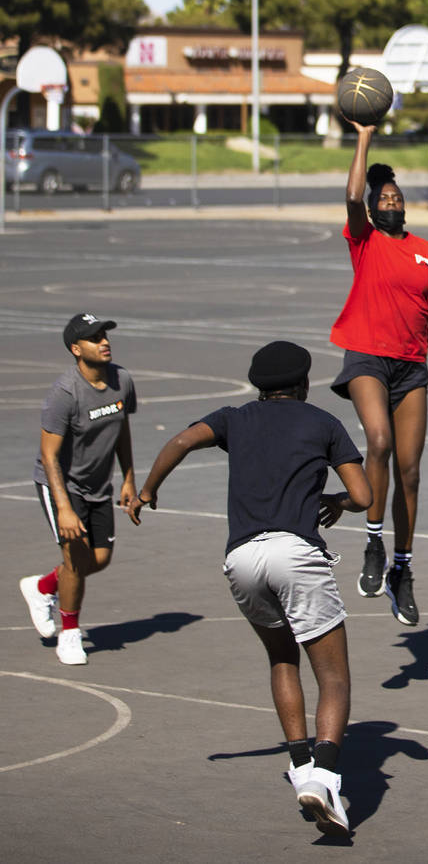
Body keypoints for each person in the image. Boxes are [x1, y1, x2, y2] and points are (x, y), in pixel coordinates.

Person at [131, 341, 372, 839]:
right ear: (305, 384)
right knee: (334, 676)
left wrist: (149, 489)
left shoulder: (232, 417)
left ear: (258, 386)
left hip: (240, 559)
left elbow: (179, 440)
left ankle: (301, 767)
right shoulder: (323, 422)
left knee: (281, 659)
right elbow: (366, 495)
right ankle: (325, 777)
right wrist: (339, 501)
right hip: (295, 553)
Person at [332, 120, 428, 628]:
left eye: (396, 195)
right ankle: (372, 544)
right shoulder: (364, 239)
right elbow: (351, 194)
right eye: (383, 196)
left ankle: (402, 570)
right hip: (367, 356)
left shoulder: (427, 251)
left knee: (410, 473)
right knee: (379, 440)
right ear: (373, 208)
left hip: (412, 367)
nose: (391, 200)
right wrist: (363, 135)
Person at [20, 313, 139, 666]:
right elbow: (49, 453)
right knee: (75, 557)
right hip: (60, 483)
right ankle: (69, 634)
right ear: (76, 348)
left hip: (97, 484)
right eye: (94, 338)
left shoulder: (123, 380)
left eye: (105, 335)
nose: (104, 342)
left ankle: (43, 587)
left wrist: (129, 478)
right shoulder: (64, 393)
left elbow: (122, 430)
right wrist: (64, 508)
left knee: (98, 560)